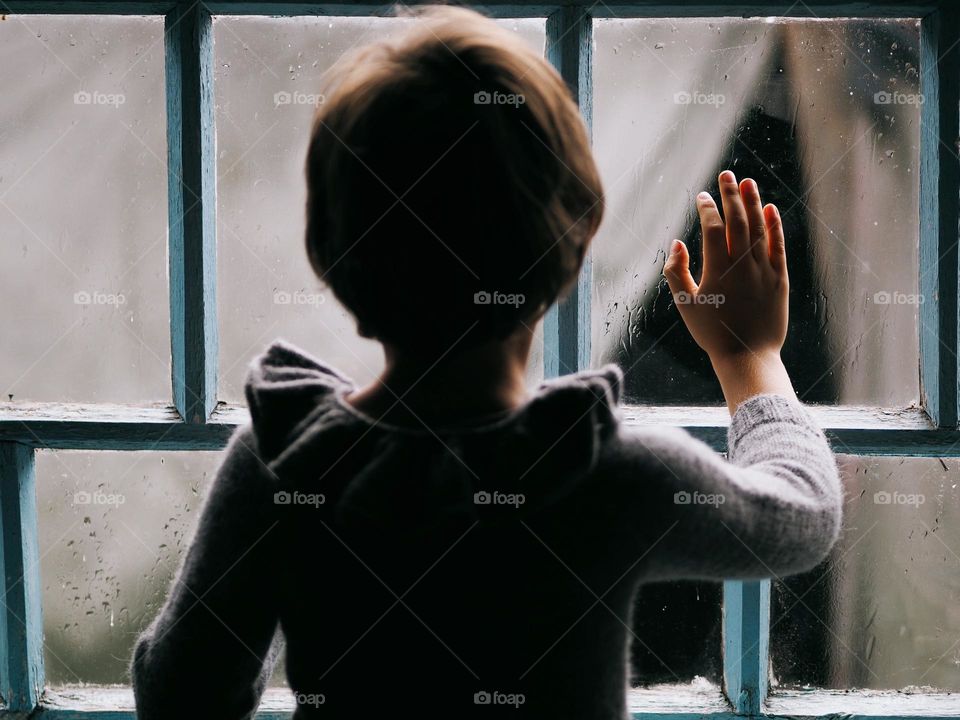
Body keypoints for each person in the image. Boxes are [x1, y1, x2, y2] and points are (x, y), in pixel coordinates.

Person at [131, 6, 841, 719]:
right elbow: (802, 518)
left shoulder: (285, 462)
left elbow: (183, 693)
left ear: (328, 255)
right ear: (581, 235)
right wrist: (747, 358)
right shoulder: (603, 472)